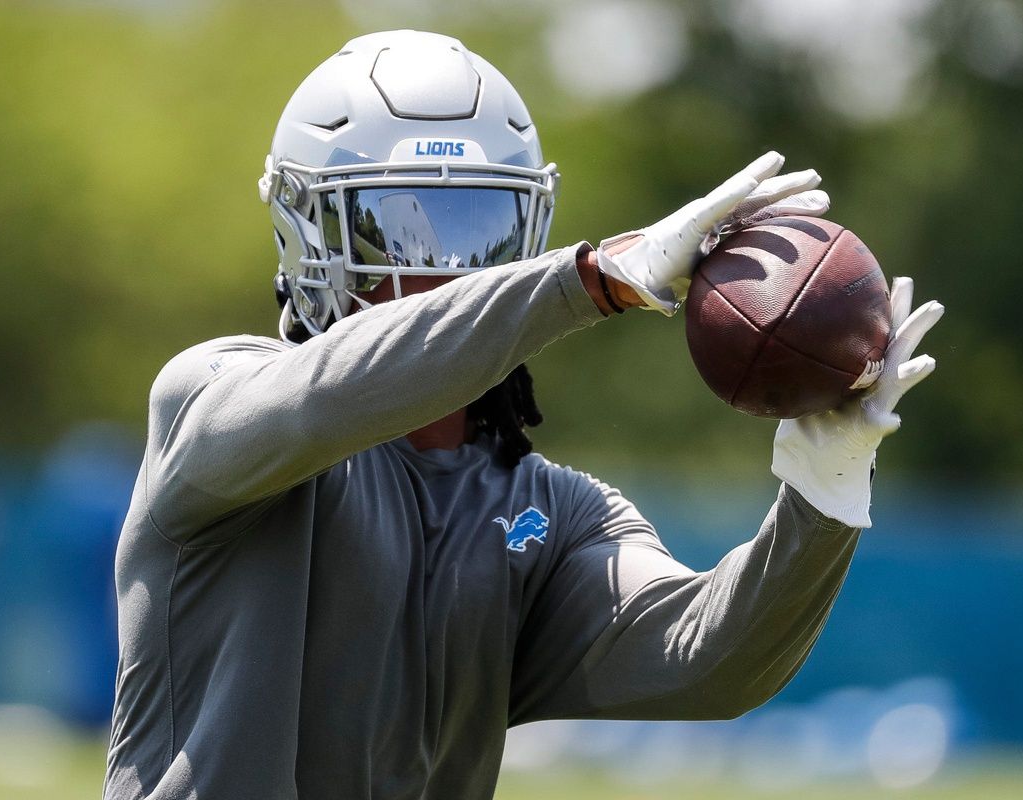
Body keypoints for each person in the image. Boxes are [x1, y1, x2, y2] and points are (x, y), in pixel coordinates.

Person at [104, 30, 943, 800]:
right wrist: (591, 279)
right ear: (307, 231)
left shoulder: (550, 512)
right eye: (391, 228)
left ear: (528, 229)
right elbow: (325, 399)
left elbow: (708, 661)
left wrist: (824, 493)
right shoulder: (210, 395)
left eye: (480, 230)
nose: (440, 270)